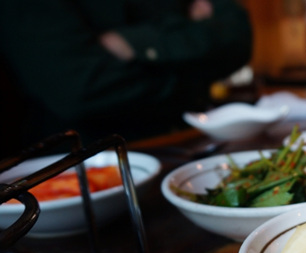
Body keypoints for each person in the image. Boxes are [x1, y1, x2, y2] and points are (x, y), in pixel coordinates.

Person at [0, 0, 252, 150]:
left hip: (196, 145)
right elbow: (78, 90)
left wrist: (133, 43)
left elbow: (238, 37)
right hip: (82, 168)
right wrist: (195, 79)